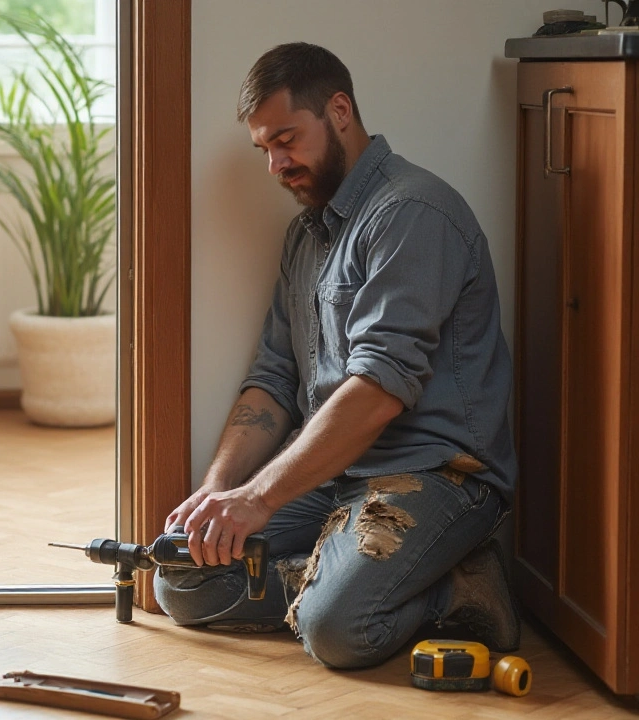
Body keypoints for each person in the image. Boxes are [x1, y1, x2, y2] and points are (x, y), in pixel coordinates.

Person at [154, 42, 520, 669]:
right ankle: (338, 573)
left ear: (341, 110)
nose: (275, 165)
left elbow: (378, 388)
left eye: (287, 139)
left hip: (436, 475)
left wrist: (260, 498)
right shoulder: (306, 236)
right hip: (331, 475)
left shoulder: (411, 212)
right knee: (182, 576)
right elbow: (271, 378)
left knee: (337, 630)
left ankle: (460, 587)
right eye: (264, 148)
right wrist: (218, 492)